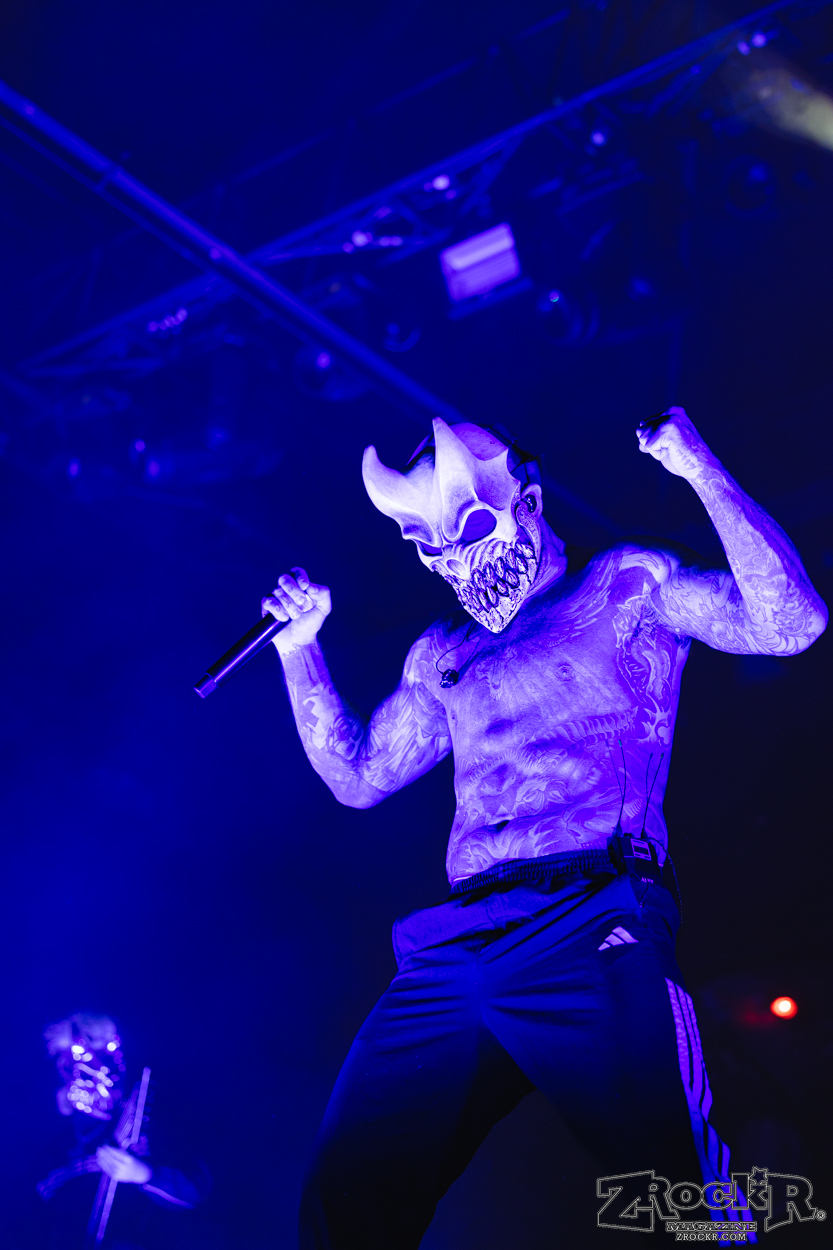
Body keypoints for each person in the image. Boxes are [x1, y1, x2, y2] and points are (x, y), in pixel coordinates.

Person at [261, 409, 827, 1249]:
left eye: (468, 530)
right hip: (458, 939)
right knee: (346, 1191)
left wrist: (699, 469)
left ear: (525, 499)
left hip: (588, 913)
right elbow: (358, 777)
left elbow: (789, 625)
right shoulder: (442, 653)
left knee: (676, 1183)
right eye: (428, 547)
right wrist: (300, 647)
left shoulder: (622, 586)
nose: (455, 561)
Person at [37, 1012, 203, 1249]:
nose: (83, 1072)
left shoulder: (145, 1124)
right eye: (70, 1060)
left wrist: (145, 1175)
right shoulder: (55, 1147)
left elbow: (195, 1192)